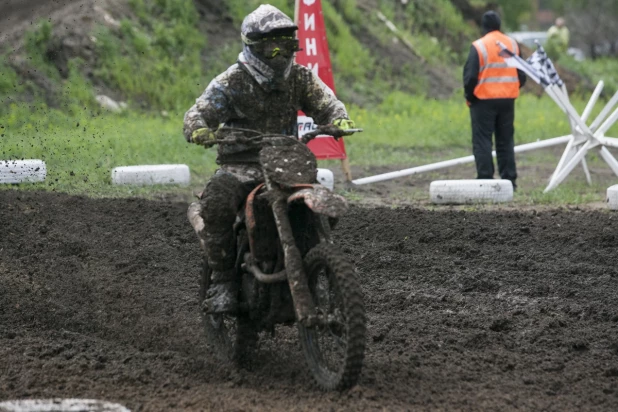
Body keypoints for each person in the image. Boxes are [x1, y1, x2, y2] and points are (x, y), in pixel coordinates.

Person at [183, 4, 355, 314]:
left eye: (285, 44)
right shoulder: (231, 81)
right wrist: (199, 130)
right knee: (217, 205)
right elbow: (198, 113)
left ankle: (312, 263)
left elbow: (328, 103)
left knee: (324, 204)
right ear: (253, 47)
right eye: (271, 46)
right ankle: (223, 282)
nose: (279, 53)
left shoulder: (300, 77)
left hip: (285, 163)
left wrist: (338, 120)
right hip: (240, 163)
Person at [463, 10, 526, 190]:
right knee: (505, 141)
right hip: (507, 100)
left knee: (483, 140)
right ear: (499, 25)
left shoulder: (479, 46)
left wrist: (470, 97)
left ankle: (485, 180)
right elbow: (522, 75)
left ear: (483, 27)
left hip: (483, 100)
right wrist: (509, 88)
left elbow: (470, 77)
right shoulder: (512, 44)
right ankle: (509, 181)